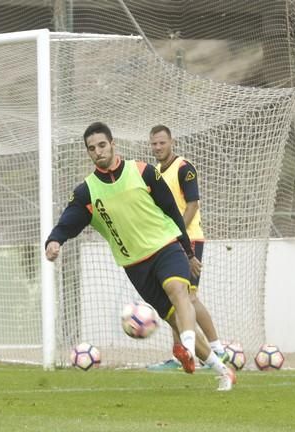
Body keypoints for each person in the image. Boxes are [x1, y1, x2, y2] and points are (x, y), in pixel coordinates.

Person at [45, 122, 236, 391]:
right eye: (92, 148)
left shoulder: (143, 171)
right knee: (172, 317)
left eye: (102, 145)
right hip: (135, 265)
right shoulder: (86, 191)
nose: (98, 151)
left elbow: (171, 210)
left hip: (165, 246)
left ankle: (188, 347)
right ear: (88, 153)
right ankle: (223, 371)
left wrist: (187, 250)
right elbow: (69, 222)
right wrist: (54, 241)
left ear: (113, 144)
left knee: (177, 290)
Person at [148, 124, 228, 371]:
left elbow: (192, 206)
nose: (158, 147)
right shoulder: (155, 172)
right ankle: (181, 355)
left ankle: (216, 348)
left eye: (162, 142)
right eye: (154, 143)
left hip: (188, 239)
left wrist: (177, 236)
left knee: (189, 297)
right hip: (170, 241)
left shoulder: (184, 168)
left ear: (171, 142)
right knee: (177, 299)